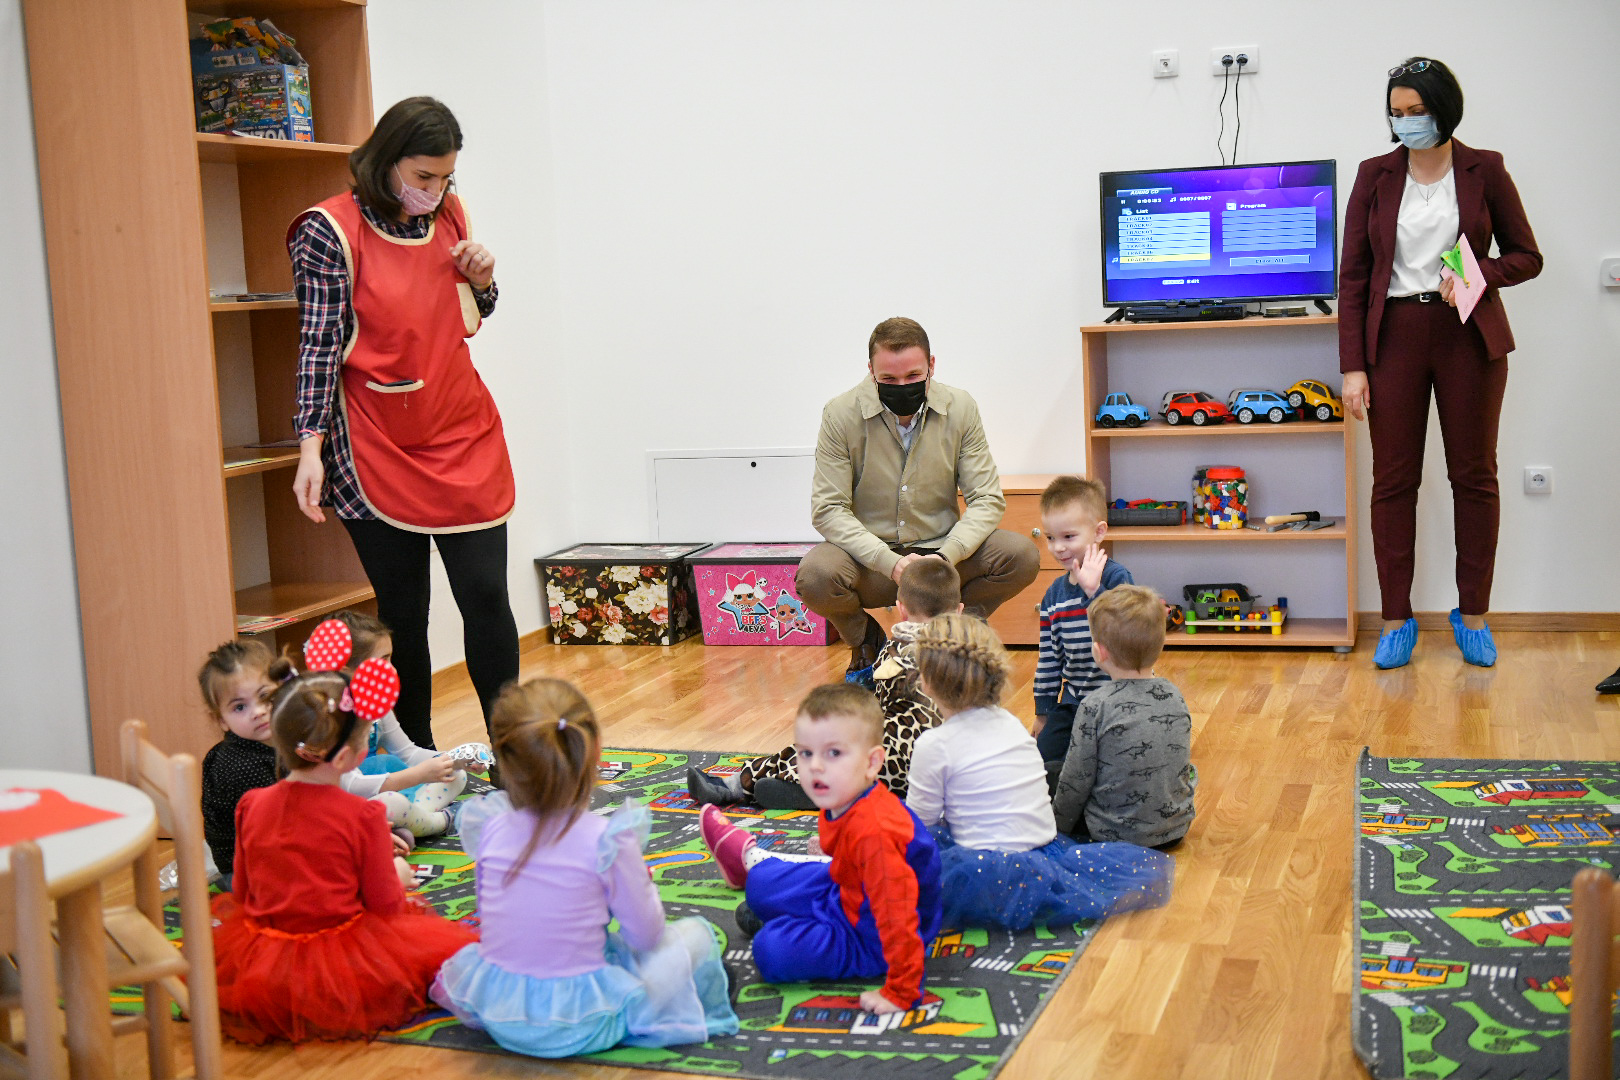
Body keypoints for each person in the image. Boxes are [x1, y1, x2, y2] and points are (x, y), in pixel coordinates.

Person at [288, 96, 520, 747]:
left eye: (446, 178)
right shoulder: (327, 231)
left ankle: (514, 751)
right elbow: (318, 345)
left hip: (461, 426)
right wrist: (310, 446)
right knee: (403, 614)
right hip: (374, 440)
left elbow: (470, 312)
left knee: (486, 596)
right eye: (423, 177)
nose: (435, 191)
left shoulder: (449, 214)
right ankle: (415, 759)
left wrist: (484, 280)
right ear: (386, 160)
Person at [1338, 58, 1542, 669]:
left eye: (1417, 111)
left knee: (1474, 477)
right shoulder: (1374, 174)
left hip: (1467, 335)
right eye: (1396, 113)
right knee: (1393, 481)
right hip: (1393, 337)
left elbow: (1527, 255)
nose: (1406, 123)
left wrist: (1479, 274)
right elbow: (1354, 277)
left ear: (1444, 109)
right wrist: (1353, 366)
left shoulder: (1485, 168)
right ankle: (1395, 620)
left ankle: (1472, 614)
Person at [431, 679, 739, 1057]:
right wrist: (633, 885)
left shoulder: (490, 826)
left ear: (505, 763)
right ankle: (666, 1006)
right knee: (694, 936)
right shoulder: (607, 840)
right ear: (596, 753)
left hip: (502, 1013)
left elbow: (492, 916)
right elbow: (647, 935)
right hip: (585, 1021)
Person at [211, 662, 476, 1044]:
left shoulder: (251, 804)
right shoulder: (363, 816)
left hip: (268, 958)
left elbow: (244, 892)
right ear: (343, 758)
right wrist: (398, 874)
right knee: (448, 955)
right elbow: (385, 906)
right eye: (365, 736)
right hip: (340, 956)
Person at [799, 317, 1040, 684]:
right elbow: (828, 509)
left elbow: (987, 499)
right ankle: (866, 642)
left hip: (943, 559)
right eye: (889, 379)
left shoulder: (961, 408)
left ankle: (954, 634)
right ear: (871, 370)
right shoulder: (840, 414)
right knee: (815, 576)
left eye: (913, 376)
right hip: (872, 562)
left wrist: (946, 556)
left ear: (932, 365)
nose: (902, 387)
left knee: (1020, 555)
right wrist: (891, 563)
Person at [907, 614, 1172, 930]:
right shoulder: (1010, 724)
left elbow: (918, 825)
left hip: (982, 873)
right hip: (1045, 858)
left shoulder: (933, 745)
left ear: (926, 681)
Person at [698, 684, 943, 1016]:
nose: (815, 767)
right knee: (759, 882)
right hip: (847, 891)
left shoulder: (875, 833)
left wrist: (902, 991)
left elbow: (897, 915)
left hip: (873, 933)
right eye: (805, 753)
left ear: (872, 763)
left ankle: (786, 923)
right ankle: (765, 888)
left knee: (770, 952)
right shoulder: (843, 797)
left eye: (834, 753)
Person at [686, 558, 960, 810]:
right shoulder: (971, 651)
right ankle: (836, 787)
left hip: (896, 766)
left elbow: (874, 713)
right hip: (952, 769)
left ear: (901, 609)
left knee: (823, 747)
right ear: (959, 610)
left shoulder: (896, 652)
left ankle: (737, 785)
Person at [1052, 585, 1196, 850]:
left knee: (1052, 773)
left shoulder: (1095, 705)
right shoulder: (1174, 694)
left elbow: (1077, 779)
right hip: (1175, 830)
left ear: (1099, 652)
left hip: (1113, 835)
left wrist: (1057, 829)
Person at [1033, 476, 1134, 762]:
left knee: (1119, 760)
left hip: (1121, 697)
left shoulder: (1116, 577)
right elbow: (1049, 658)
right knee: (1045, 758)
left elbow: (1127, 636)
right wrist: (1043, 712)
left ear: (1099, 532)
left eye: (1068, 537)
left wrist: (1094, 592)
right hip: (1075, 700)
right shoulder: (1054, 595)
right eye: (1050, 538)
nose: (1058, 547)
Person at [198, 639, 294, 887]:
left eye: (265, 696)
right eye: (240, 707)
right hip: (251, 874)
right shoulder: (244, 766)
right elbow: (279, 834)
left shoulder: (272, 740)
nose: (258, 711)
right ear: (221, 720)